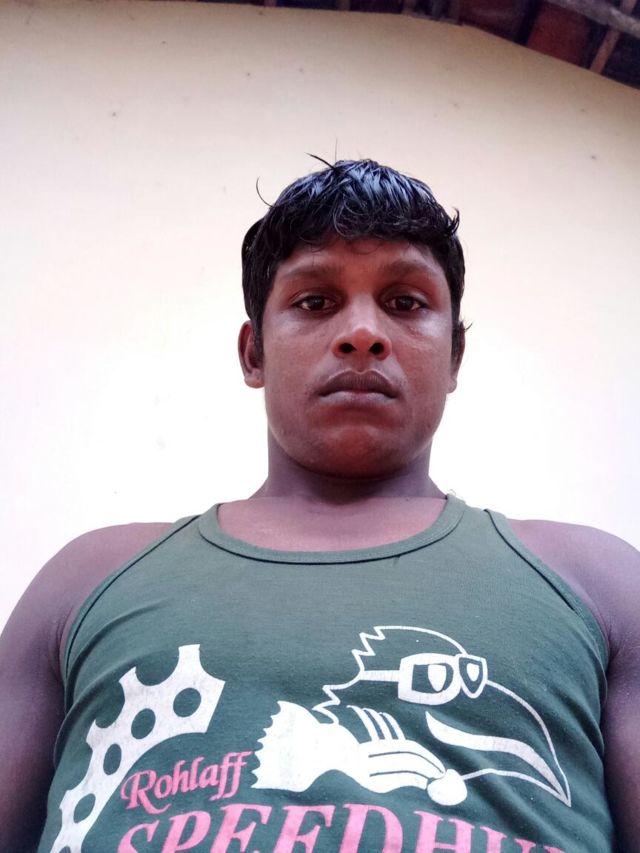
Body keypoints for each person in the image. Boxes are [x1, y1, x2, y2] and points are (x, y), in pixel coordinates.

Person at [1, 160, 638, 853]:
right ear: (254, 353)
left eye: (405, 302)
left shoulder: (601, 581)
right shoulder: (87, 579)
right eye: (314, 302)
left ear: (454, 354)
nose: (362, 333)